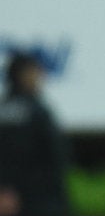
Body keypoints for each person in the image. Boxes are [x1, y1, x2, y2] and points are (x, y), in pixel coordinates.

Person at [0, 52, 72, 216]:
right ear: (21, 75)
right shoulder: (34, 111)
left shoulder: (8, 109)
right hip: (38, 201)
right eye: (34, 72)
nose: (39, 77)